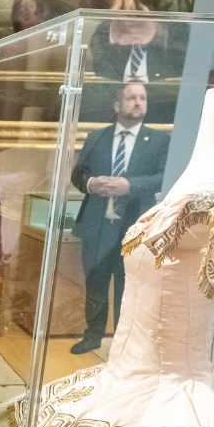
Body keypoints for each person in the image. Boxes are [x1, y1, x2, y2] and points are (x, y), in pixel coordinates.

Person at [69, 82, 169, 354]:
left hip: (134, 225)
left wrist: (130, 185)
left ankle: (123, 341)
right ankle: (92, 335)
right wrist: (90, 183)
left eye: (142, 98)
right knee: (95, 281)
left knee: (128, 286)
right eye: (131, 98)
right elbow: (77, 173)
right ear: (117, 106)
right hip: (97, 224)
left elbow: (164, 177)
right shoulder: (96, 138)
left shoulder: (160, 140)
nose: (138, 102)